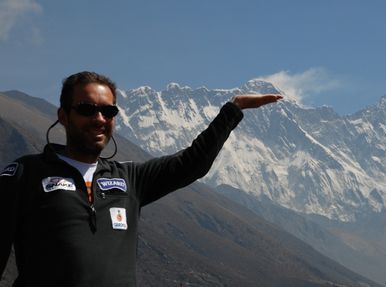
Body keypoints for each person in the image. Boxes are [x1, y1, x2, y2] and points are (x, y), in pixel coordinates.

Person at [0, 71, 282, 287]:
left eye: (108, 111)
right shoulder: (26, 174)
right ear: (63, 115)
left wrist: (234, 109)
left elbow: (191, 163)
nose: (99, 118)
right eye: (87, 109)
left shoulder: (128, 179)